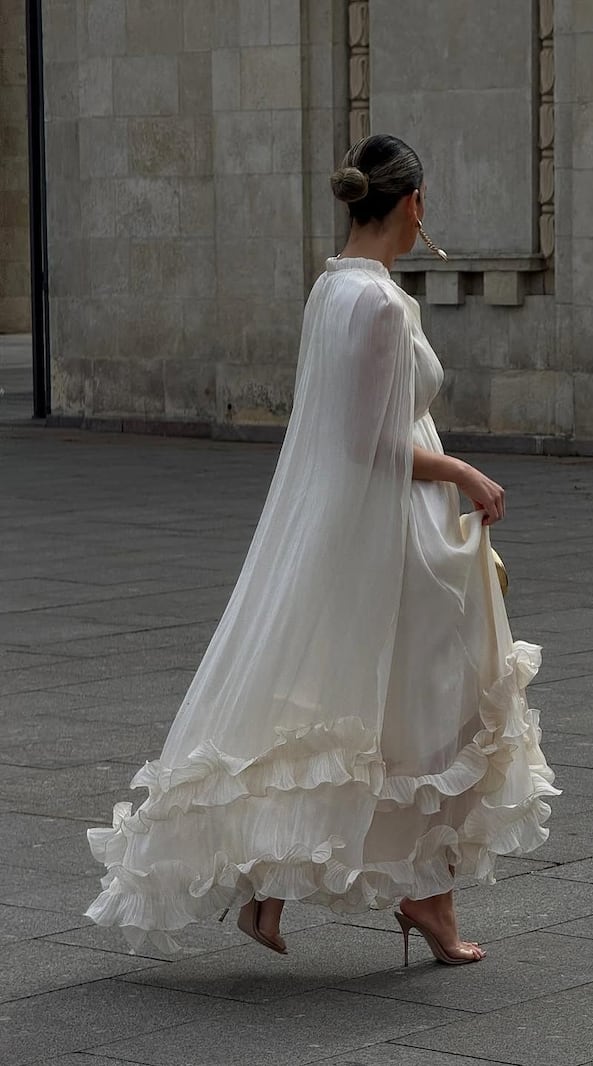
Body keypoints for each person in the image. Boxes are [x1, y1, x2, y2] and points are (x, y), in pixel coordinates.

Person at [84, 134, 560, 966]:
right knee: (426, 716)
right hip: (397, 529)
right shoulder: (377, 302)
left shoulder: (332, 288)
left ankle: (277, 893)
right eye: (425, 203)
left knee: (360, 710)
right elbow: (365, 445)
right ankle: (424, 903)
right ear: (411, 203)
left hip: (370, 526)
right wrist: (465, 472)